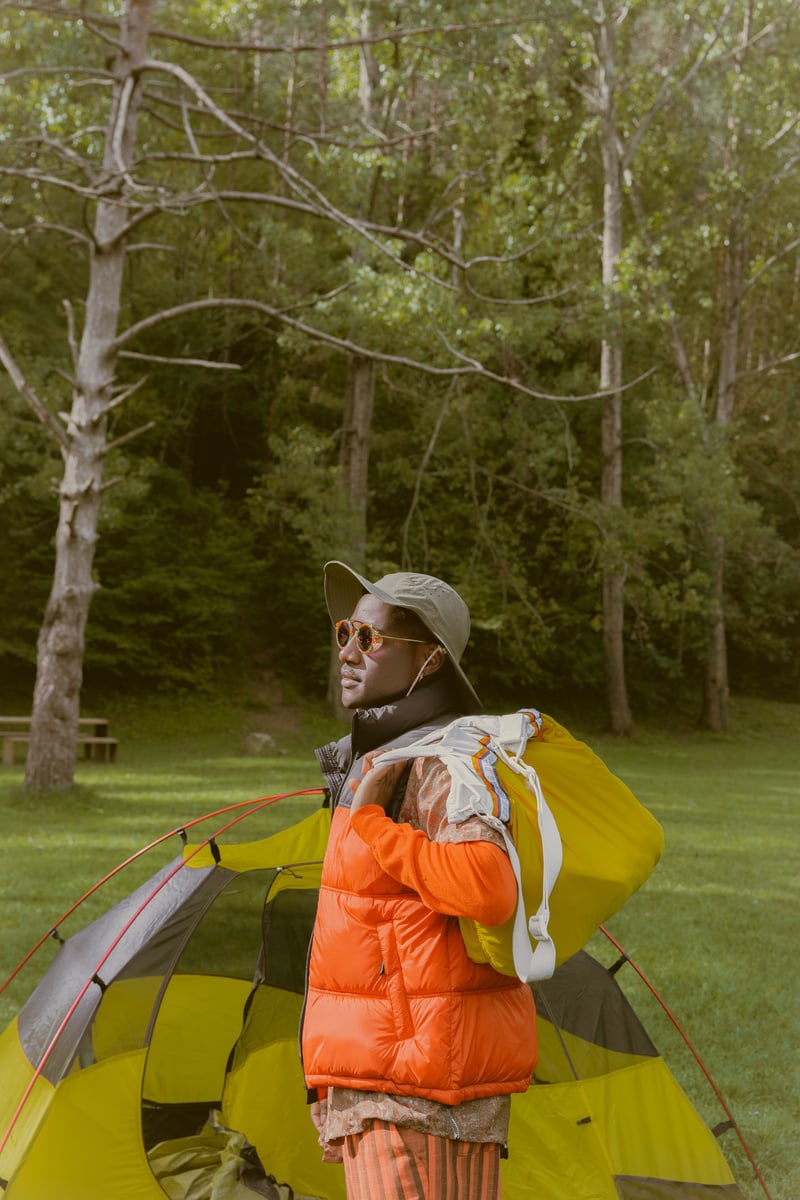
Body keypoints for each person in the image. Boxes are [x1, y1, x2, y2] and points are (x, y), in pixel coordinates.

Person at [301, 560, 537, 1200]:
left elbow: (487, 886)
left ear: (430, 663)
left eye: (369, 639)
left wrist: (372, 823)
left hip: (419, 1086)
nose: (348, 650)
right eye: (345, 632)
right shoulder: (387, 755)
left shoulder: (447, 759)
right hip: (387, 1069)